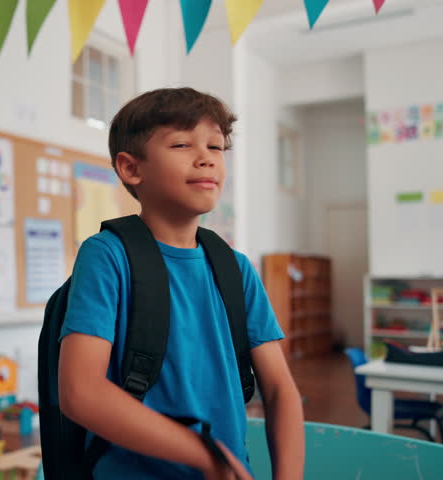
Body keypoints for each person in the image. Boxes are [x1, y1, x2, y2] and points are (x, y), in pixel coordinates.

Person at [57, 87, 305, 479]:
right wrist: (206, 456)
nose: (206, 157)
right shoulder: (107, 256)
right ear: (131, 168)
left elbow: (279, 390)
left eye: (216, 146)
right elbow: (80, 393)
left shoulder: (236, 270)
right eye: (182, 144)